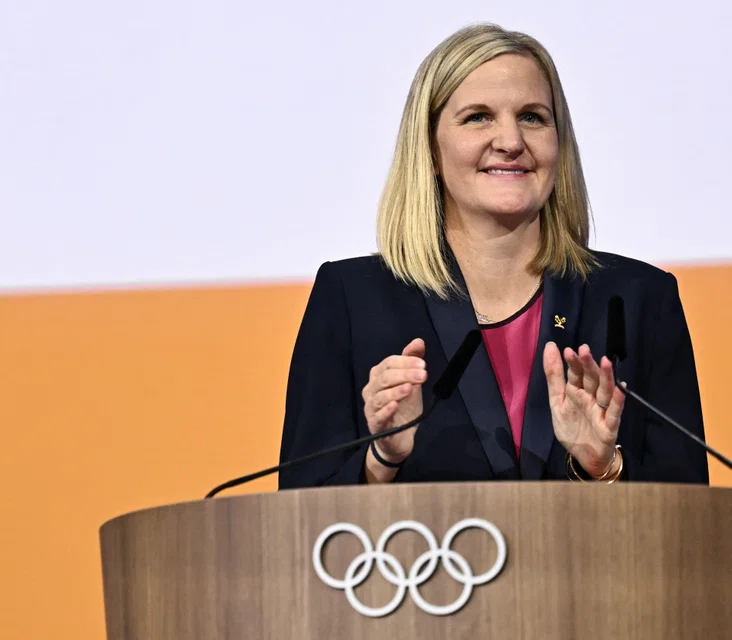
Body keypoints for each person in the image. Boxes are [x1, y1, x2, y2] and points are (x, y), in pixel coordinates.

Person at [277, 23, 709, 488]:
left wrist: (602, 469)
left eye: (533, 117)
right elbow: (299, 521)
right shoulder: (351, 300)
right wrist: (383, 457)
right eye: (478, 117)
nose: (511, 141)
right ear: (430, 149)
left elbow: (692, 524)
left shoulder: (637, 299)